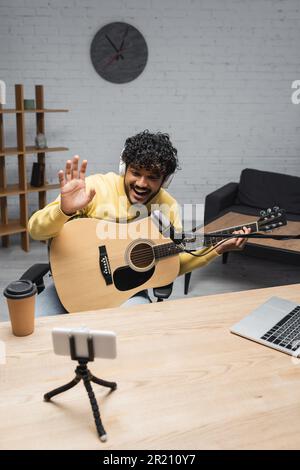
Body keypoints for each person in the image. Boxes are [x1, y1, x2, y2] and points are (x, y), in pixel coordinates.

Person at [28, 130, 250, 316]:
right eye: (136, 173)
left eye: (153, 177)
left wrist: (215, 251)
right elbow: (36, 231)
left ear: (166, 180)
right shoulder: (94, 188)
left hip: (128, 292)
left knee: (140, 333)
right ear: (124, 169)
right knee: (34, 331)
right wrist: (63, 210)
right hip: (71, 284)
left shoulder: (168, 207)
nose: (142, 183)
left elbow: (173, 261)